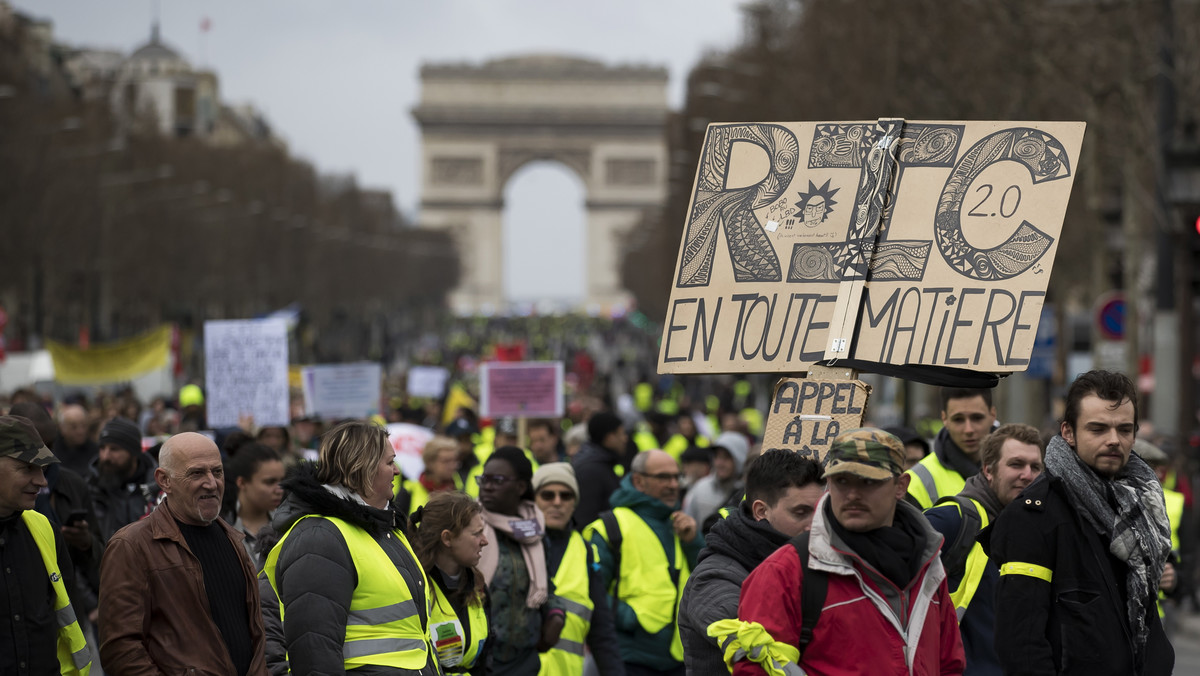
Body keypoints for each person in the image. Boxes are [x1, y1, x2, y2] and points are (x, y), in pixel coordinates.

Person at [732, 428, 964, 675]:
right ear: (828, 483)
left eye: (868, 481)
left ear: (901, 485)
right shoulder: (785, 571)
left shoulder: (927, 564)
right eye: (842, 481)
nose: (852, 495)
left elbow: (949, 663)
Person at [991, 370, 1174, 675]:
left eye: (1124, 429)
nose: (1114, 440)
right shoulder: (1033, 516)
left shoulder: (1141, 502)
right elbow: (1021, 645)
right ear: (1068, 432)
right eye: (1098, 429)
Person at [265, 420, 437, 675]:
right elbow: (314, 652)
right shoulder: (320, 538)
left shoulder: (385, 527)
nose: (397, 471)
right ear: (362, 469)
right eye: (390, 463)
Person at [99, 432, 266, 675]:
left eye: (217, 472)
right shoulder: (132, 545)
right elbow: (120, 649)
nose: (211, 483)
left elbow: (255, 633)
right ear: (164, 480)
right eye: (196, 473)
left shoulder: (233, 538)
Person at [680, 449, 824, 675]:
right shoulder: (714, 577)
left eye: (820, 512)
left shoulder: (808, 561)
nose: (814, 525)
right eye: (801, 512)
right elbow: (762, 654)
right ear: (761, 511)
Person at [924, 423, 1044, 675]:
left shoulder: (1038, 528)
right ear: (988, 470)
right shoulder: (954, 519)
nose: (1028, 475)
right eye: (1016, 464)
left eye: (1035, 467)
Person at [584, 449, 702, 676]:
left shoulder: (680, 525)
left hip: (677, 658)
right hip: (629, 658)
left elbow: (702, 580)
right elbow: (592, 591)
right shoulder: (612, 526)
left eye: (676, 477)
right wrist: (631, 617)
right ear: (638, 481)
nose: (673, 484)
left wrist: (693, 542)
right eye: (663, 477)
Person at [0, 415, 92, 676]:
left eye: (42, 469)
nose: (42, 481)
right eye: (28, 468)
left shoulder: (44, 529)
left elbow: (67, 620)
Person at [476, 446, 565, 675]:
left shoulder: (535, 531)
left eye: (497, 480)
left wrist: (556, 615)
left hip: (524, 661)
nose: (487, 486)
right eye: (484, 479)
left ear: (521, 487)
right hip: (478, 659)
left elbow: (546, 585)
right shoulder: (469, 527)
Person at [531, 462, 625, 676]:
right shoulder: (516, 545)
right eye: (547, 495)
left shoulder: (585, 551)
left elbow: (602, 630)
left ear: (574, 503)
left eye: (566, 496)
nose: (557, 502)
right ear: (533, 500)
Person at [409, 490, 491, 675]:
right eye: (477, 534)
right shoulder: (415, 587)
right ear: (447, 538)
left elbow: (486, 661)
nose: (485, 541)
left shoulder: (477, 586)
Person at [906, 388, 997, 508]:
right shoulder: (916, 481)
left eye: (977, 418)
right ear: (944, 419)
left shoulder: (1022, 469)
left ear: (993, 415)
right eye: (958, 419)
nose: (968, 429)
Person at [89, 416, 161, 541]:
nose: (106, 456)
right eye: (102, 448)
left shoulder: (158, 488)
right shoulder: (91, 488)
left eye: (114, 449)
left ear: (133, 453)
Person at [222, 443, 285, 570]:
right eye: (270, 482)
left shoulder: (289, 525)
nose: (280, 489)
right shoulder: (222, 528)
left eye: (282, 481)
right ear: (242, 482)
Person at [682, 431, 749, 528]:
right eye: (717, 456)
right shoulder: (700, 488)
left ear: (740, 459)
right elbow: (687, 526)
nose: (719, 463)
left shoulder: (749, 494)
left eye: (726, 457)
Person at [572, 412, 628, 528]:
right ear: (609, 437)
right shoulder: (591, 470)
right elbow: (585, 519)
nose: (625, 439)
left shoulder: (603, 463)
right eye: (621, 434)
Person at [397, 435, 462, 516]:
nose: (453, 466)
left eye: (455, 460)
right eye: (446, 461)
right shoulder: (409, 490)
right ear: (430, 462)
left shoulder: (459, 489)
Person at [53, 404, 98, 477]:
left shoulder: (95, 451)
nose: (80, 431)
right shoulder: (52, 450)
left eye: (84, 425)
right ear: (62, 428)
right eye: (74, 427)